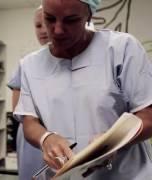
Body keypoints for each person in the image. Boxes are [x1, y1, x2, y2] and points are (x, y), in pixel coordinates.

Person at [14, 0, 152, 179]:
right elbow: (29, 122)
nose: (57, 30)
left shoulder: (121, 49)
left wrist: (111, 142)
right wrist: (45, 138)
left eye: (70, 20)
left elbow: (148, 116)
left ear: (89, 15)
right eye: (49, 18)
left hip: (126, 173)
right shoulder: (30, 65)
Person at [7, 5, 49, 180]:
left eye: (46, 23)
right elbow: (19, 111)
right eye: (38, 26)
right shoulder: (27, 64)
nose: (43, 30)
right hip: (33, 136)